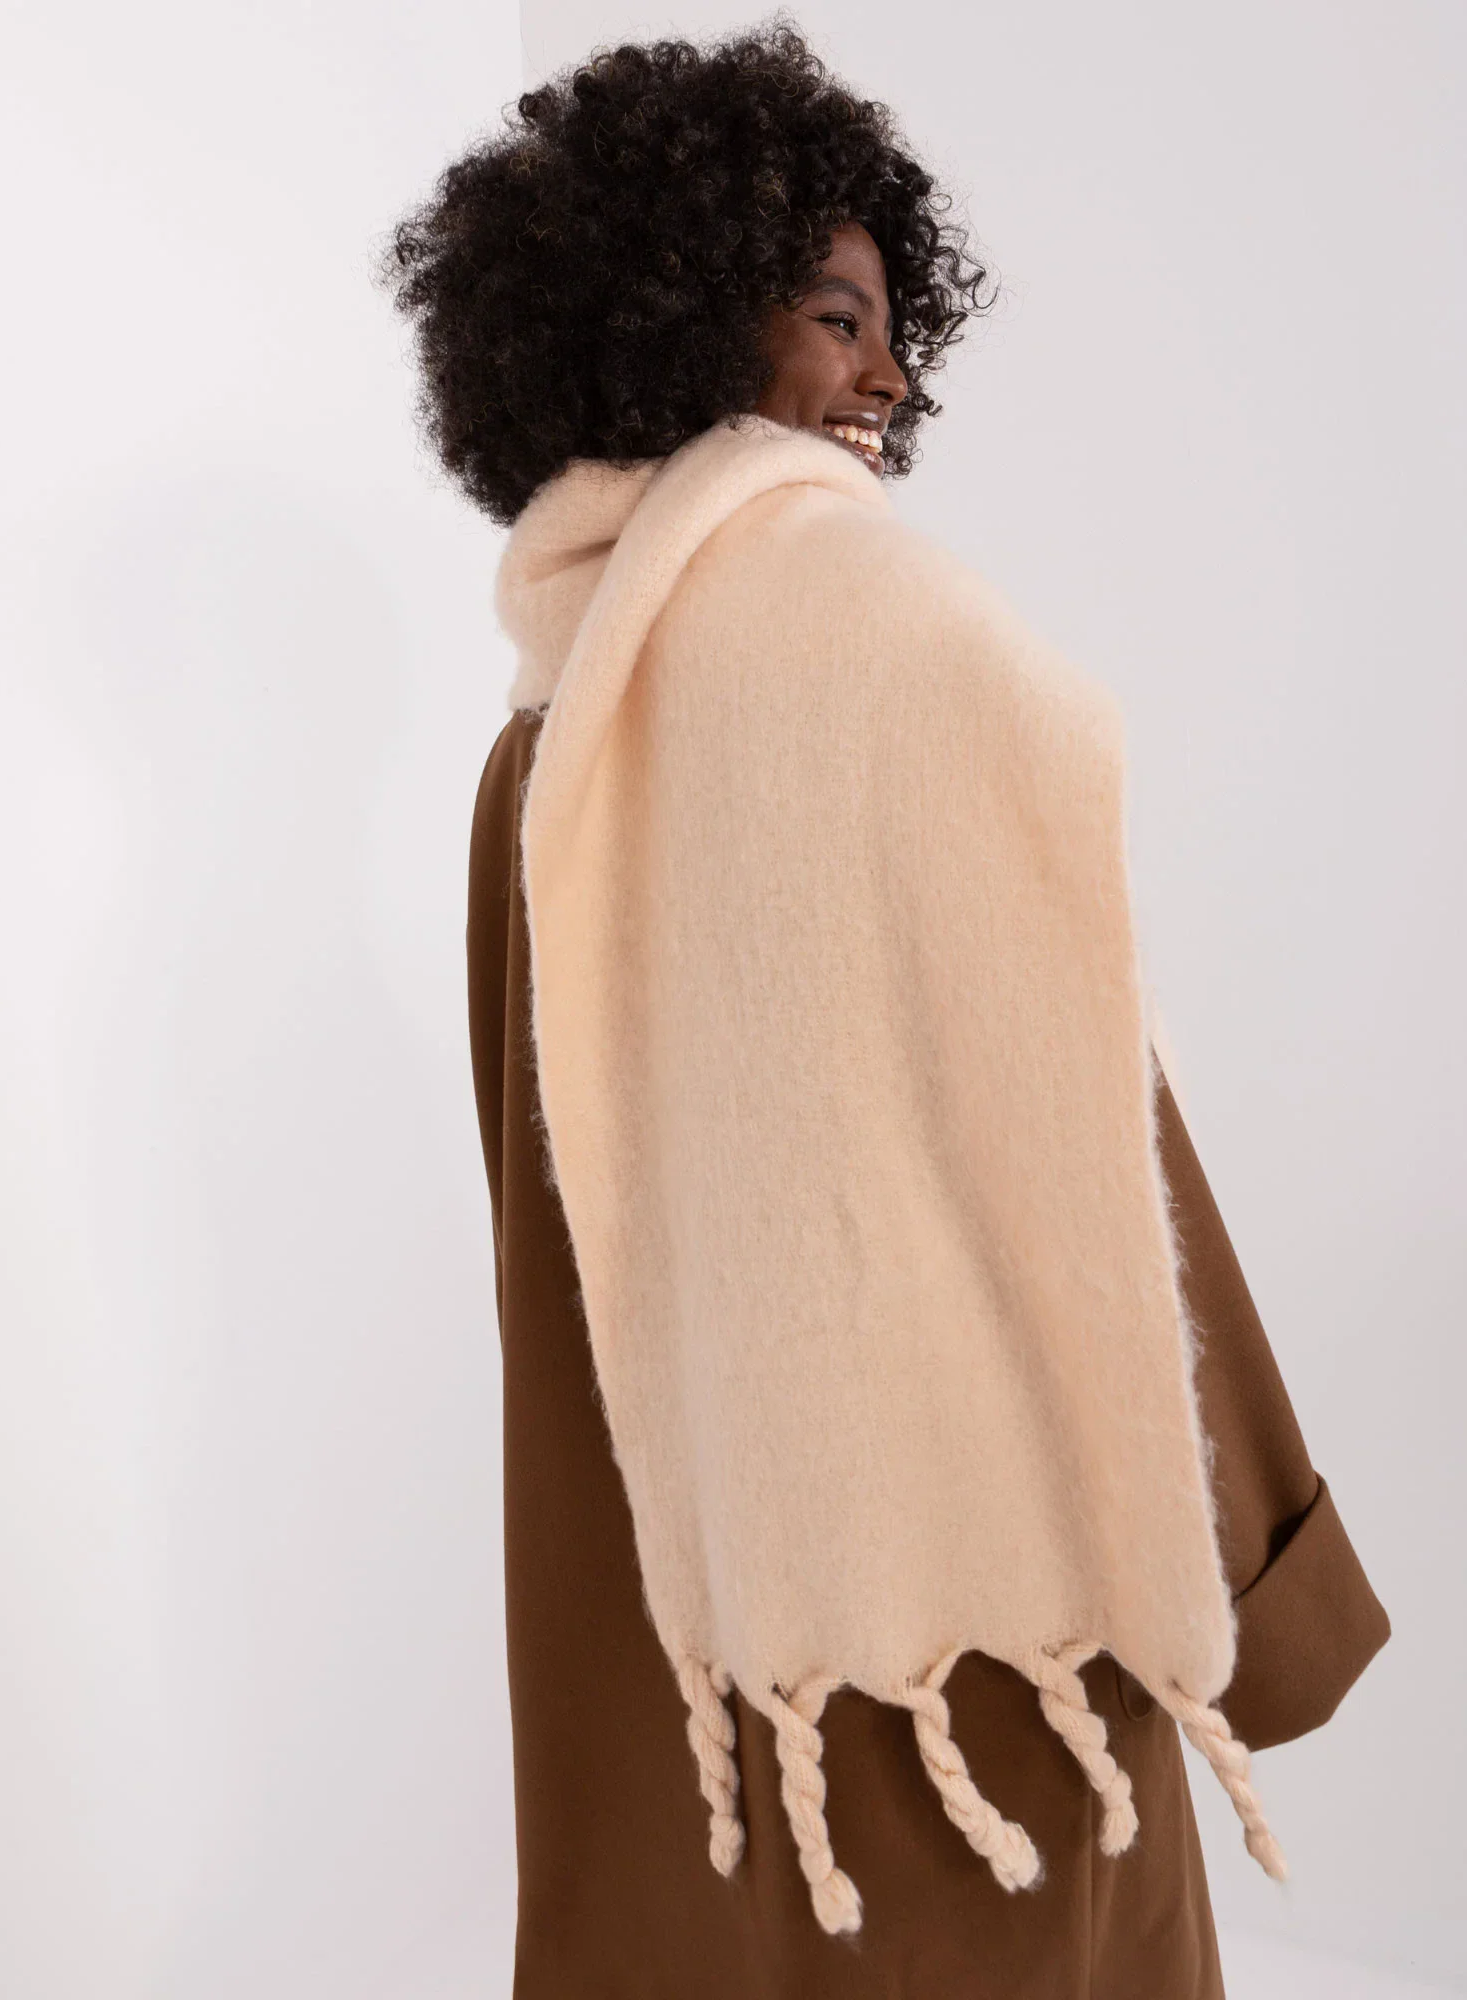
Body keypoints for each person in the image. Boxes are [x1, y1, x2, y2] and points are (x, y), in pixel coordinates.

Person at [382, 23, 1389, 1998]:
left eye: (892, 330)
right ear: (682, 322)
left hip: (690, 1628)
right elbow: (1095, 1133)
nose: (890, 378)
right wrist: (1269, 1564)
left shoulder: (541, 752)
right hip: (965, 1616)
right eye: (841, 317)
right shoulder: (876, 630)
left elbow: (551, 1267)